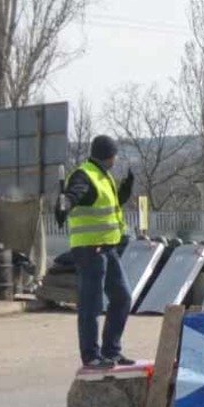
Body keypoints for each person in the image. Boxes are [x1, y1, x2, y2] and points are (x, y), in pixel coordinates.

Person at [55, 135, 135, 369]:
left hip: (107, 248)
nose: (116, 158)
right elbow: (75, 194)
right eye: (114, 154)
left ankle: (111, 351)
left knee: (122, 298)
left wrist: (125, 189)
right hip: (90, 250)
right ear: (108, 155)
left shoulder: (103, 175)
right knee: (91, 304)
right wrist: (66, 202)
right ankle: (91, 356)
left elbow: (109, 205)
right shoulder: (85, 175)